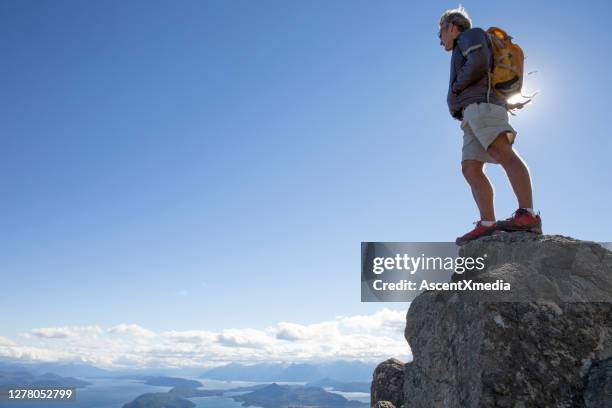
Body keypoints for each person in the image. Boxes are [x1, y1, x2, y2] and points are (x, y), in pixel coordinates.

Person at [438, 6, 542, 245]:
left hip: (483, 105)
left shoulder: (469, 35)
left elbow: (479, 62)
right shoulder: (463, 42)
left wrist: (455, 88)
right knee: (470, 168)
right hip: (472, 113)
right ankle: (487, 225)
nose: (440, 40)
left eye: (440, 33)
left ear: (451, 27)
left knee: (501, 151)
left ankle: (528, 215)